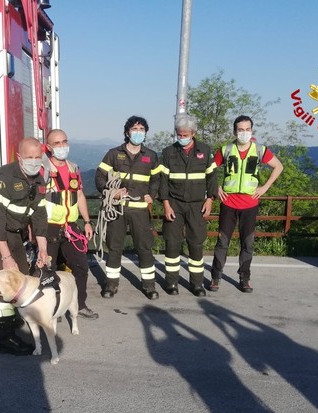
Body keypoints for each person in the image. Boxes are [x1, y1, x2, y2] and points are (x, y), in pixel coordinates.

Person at [0, 137, 50, 354]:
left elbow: (40, 217)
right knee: (4, 283)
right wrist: (6, 257)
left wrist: (43, 249)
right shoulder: (1, 178)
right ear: (19, 157)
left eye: (38, 157)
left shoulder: (39, 181)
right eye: (29, 157)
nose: (34, 162)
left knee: (21, 279)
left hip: (16, 233)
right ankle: (5, 338)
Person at [210, 115, 284, 293]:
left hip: (250, 204)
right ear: (235, 131)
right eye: (240, 129)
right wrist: (216, 187)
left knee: (248, 243)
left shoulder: (260, 150)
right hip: (228, 203)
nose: (244, 133)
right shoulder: (226, 149)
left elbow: (278, 166)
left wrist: (265, 187)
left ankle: (245, 278)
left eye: (247, 129)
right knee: (222, 242)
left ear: (252, 130)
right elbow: (209, 168)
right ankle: (215, 277)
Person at [95, 116, 163, 300]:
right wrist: (111, 191)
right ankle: (110, 285)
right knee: (114, 247)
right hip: (117, 209)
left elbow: (157, 179)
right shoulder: (113, 153)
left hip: (140, 210)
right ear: (127, 132)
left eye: (142, 129)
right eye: (135, 128)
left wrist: (152, 194)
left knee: (144, 247)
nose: (138, 132)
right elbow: (100, 177)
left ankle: (149, 286)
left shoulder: (151, 155)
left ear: (146, 133)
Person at [43, 129, 99, 319]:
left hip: (70, 226)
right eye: (57, 143)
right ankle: (50, 307)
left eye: (64, 142)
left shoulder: (73, 167)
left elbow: (80, 195)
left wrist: (87, 222)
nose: (62, 146)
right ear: (49, 147)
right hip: (48, 227)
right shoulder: (43, 169)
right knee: (47, 270)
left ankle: (80, 305)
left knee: (81, 267)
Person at [159, 114, 217, 297]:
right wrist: (166, 205)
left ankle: (197, 284)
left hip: (197, 205)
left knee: (196, 244)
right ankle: (171, 283)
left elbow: (212, 178)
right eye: (179, 133)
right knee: (172, 245)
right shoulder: (168, 152)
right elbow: (163, 181)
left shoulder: (205, 151)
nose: (181, 137)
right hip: (174, 204)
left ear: (193, 133)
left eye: (185, 133)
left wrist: (210, 200)